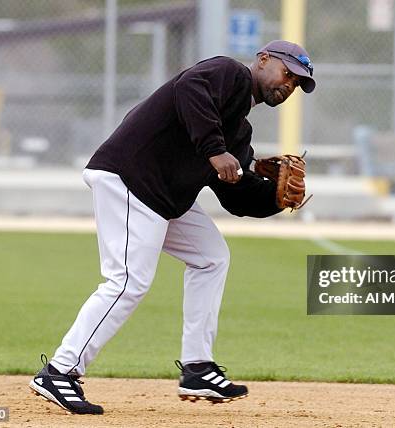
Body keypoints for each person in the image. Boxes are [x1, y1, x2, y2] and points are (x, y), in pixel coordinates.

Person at [29, 40, 316, 415]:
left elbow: (237, 196)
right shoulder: (227, 74)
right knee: (128, 282)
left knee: (211, 257)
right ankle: (60, 371)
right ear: (263, 60)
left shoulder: (238, 133)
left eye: (296, 82)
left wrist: (275, 199)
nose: (289, 84)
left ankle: (197, 367)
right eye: (287, 72)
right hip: (130, 178)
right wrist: (215, 150)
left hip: (163, 198)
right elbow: (189, 89)